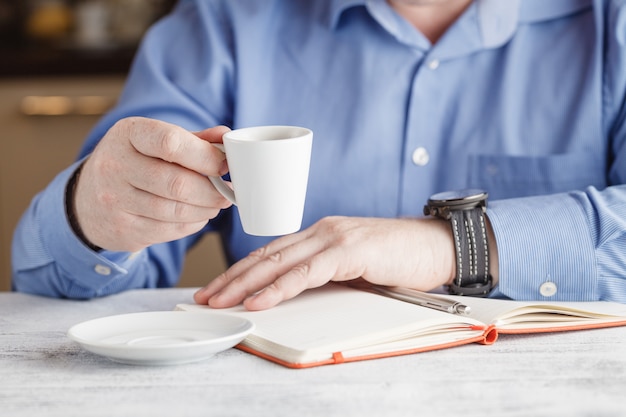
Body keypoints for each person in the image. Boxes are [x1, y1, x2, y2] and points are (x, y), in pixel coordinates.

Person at [11, 0, 626, 311]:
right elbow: (55, 286)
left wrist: (446, 244)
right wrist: (92, 213)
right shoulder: (224, 23)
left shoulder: (612, 24)